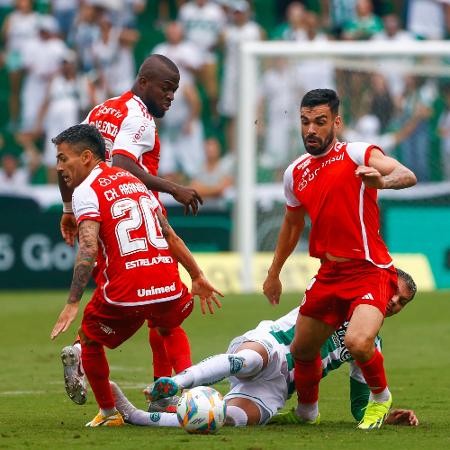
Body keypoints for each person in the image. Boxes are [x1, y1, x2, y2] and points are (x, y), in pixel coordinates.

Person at [262, 88, 417, 430]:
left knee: (358, 342)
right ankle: (306, 412)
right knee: (302, 350)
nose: (311, 130)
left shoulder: (357, 153)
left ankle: (380, 398)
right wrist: (274, 273)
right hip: (329, 274)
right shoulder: (296, 173)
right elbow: (291, 226)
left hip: (369, 270)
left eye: (319, 122)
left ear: (336, 121)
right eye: (305, 122)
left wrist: (383, 181)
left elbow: (406, 174)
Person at [50, 124, 222, 427]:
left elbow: (88, 246)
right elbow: (169, 235)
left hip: (126, 289)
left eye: (64, 159)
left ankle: (108, 413)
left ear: (87, 157)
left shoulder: (86, 191)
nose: (59, 167)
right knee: (169, 327)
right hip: (169, 283)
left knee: (88, 340)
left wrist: (73, 301)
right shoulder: (133, 181)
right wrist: (196, 275)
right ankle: (184, 396)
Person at [58, 54, 204, 412]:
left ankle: (150, 390)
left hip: (102, 217)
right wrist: (175, 188)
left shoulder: (101, 109)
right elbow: (122, 164)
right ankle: (163, 393)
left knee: (140, 305)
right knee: (160, 309)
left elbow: (66, 158)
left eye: (175, 91)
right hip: (137, 219)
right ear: (144, 82)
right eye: (166, 89)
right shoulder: (140, 117)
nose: (171, 97)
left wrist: (69, 209)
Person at [110, 269, 418, 428]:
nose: (394, 302)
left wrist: (386, 416)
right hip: (274, 345)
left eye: (402, 302)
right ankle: (174, 385)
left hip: (279, 387)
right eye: (393, 292)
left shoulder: (368, 344)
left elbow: (360, 406)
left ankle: (137, 416)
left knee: (228, 419)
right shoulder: (341, 295)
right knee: (248, 360)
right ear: (382, 285)